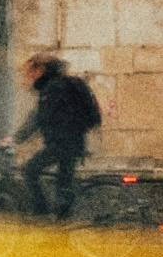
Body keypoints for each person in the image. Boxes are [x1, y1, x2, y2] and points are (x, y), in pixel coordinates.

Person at [17, 53, 101, 221]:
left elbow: (39, 119)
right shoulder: (62, 84)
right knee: (63, 183)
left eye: (30, 72)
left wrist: (17, 138)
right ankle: (63, 219)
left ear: (41, 69)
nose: (29, 77)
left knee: (29, 170)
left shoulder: (52, 88)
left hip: (62, 144)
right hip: (74, 142)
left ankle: (41, 213)